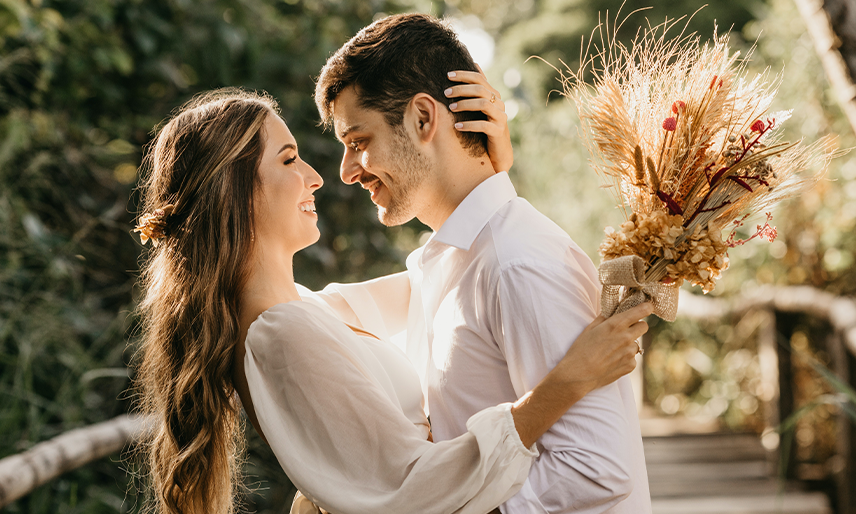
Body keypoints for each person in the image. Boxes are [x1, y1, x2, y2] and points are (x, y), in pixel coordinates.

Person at [133, 87, 652, 514]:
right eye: (289, 158)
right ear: (234, 189)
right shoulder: (280, 334)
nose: (318, 176)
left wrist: (483, 178)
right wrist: (563, 386)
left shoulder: (306, 312)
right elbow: (411, 488)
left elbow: (438, 277)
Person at [310, 13, 652, 514]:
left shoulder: (518, 263)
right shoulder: (446, 261)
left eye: (358, 142)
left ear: (423, 119)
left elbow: (595, 468)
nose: (346, 172)